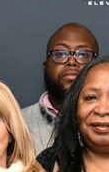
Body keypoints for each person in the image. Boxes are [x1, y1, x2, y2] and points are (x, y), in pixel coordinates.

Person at [20, 22, 99, 150]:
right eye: (60, 54)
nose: (72, 62)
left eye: (83, 55)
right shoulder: (17, 123)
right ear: (45, 67)